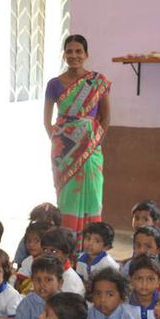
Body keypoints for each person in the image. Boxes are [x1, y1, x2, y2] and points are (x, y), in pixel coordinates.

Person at [43, 34, 111, 235]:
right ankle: (67, 240)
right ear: (64, 55)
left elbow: (106, 118)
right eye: (69, 51)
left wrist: (93, 145)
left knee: (93, 195)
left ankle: (91, 242)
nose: (74, 55)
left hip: (91, 151)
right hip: (63, 152)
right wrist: (60, 145)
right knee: (66, 197)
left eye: (78, 51)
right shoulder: (54, 84)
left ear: (86, 54)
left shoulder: (97, 82)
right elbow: (47, 121)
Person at [9, 255, 64, 319]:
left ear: (60, 283)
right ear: (32, 281)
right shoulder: (26, 303)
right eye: (38, 280)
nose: (42, 284)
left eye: (48, 280)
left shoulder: (65, 302)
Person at [125, 254, 160, 319]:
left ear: (159, 281)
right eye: (139, 278)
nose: (144, 284)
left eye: (150, 279)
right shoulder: (123, 305)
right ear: (131, 280)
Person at [40, 227, 86, 296]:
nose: (47, 254)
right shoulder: (45, 270)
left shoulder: (70, 282)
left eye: (54, 251)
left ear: (66, 254)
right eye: (44, 249)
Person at [14, 220, 54, 295]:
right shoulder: (28, 261)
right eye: (28, 241)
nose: (31, 245)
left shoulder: (53, 261)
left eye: (37, 241)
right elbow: (19, 281)